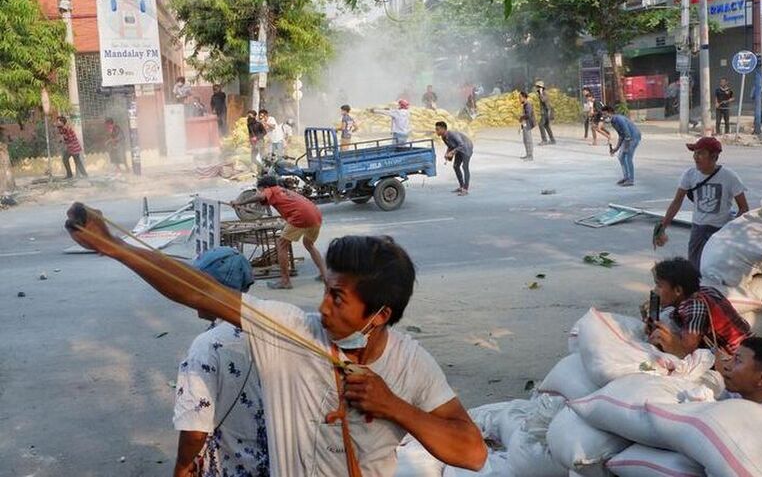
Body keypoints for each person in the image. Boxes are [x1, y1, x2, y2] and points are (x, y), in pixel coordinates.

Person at [64, 205, 488, 476]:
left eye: (338, 299)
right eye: (325, 289)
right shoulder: (292, 332)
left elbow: (473, 453)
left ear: (380, 316)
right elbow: (201, 291)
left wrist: (392, 404)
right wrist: (115, 246)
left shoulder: (410, 364)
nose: (322, 308)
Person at [172, 247, 270, 477]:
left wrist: (182, 467)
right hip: (278, 461)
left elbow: (195, 429)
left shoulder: (206, 347)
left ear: (208, 290)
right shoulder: (274, 326)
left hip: (231, 467)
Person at [656, 136, 749, 270]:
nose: (695, 157)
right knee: (694, 269)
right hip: (698, 230)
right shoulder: (690, 175)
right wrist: (662, 227)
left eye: (700, 153)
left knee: (715, 269)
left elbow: (744, 208)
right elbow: (676, 202)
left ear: (714, 156)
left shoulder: (730, 177)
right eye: (695, 153)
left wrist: (731, 230)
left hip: (720, 231)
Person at [233, 176, 327, 290]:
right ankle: (325, 275)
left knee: (281, 245)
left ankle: (285, 281)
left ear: (266, 187)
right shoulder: (283, 190)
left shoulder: (271, 189)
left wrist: (240, 202)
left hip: (300, 216)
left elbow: (260, 196)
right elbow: (265, 203)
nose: (260, 191)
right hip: (315, 214)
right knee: (309, 244)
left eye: (260, 189)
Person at [648, 257, 751, 359]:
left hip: (736, 358)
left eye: (659, 286)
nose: (655, 290)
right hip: (746, 348)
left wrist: (665, 338)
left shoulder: (695, 306)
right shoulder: (705, 291)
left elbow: (686, 352)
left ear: (678, 290)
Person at [603, 106, 641, 186]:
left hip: (634, 137)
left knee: (628, 157)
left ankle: (631, 180)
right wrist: (616, 149)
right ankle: (626, 177)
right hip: (628, 137)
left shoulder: (619, 119)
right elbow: (621, 136)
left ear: (610, 112)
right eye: (603, 115)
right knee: (620, 156)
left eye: (605, 114)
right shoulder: (613, 122)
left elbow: (627, 135)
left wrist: (626, 148)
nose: (604, 116)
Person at [435, 121, 473, 196]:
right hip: (458, 149)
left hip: (466, 148)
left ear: (443, 129)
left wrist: (452, 153)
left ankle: (465, 189)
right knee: (456, 166)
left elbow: (461, 144)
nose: (436, 131)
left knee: (465, 167)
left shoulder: (452, 134)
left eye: (438, 129)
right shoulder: (443, 137)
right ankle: (461, 186)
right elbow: (450, 146)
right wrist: (447, 153)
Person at [534, 81, 556, 145]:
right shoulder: (542, 93)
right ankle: (552, 140)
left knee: (541, 125)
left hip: (546, 112)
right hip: (545, 112)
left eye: (538, 87)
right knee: (546, 126)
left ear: (541, 87)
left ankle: (544, 140)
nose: (537, 88)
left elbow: (543, 100)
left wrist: (541, 92)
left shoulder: (544, 93)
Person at [519, 91, 536, 161]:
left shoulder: (528, 105)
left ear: (524, 97)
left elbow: (528, 115)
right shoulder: (525, 105)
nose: (519, 99)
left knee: (528, 140)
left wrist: (521, 117)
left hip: (528, 124)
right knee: (525, 140)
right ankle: (528, 154)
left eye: (520, 97)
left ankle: (530, 156)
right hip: (525, 124)